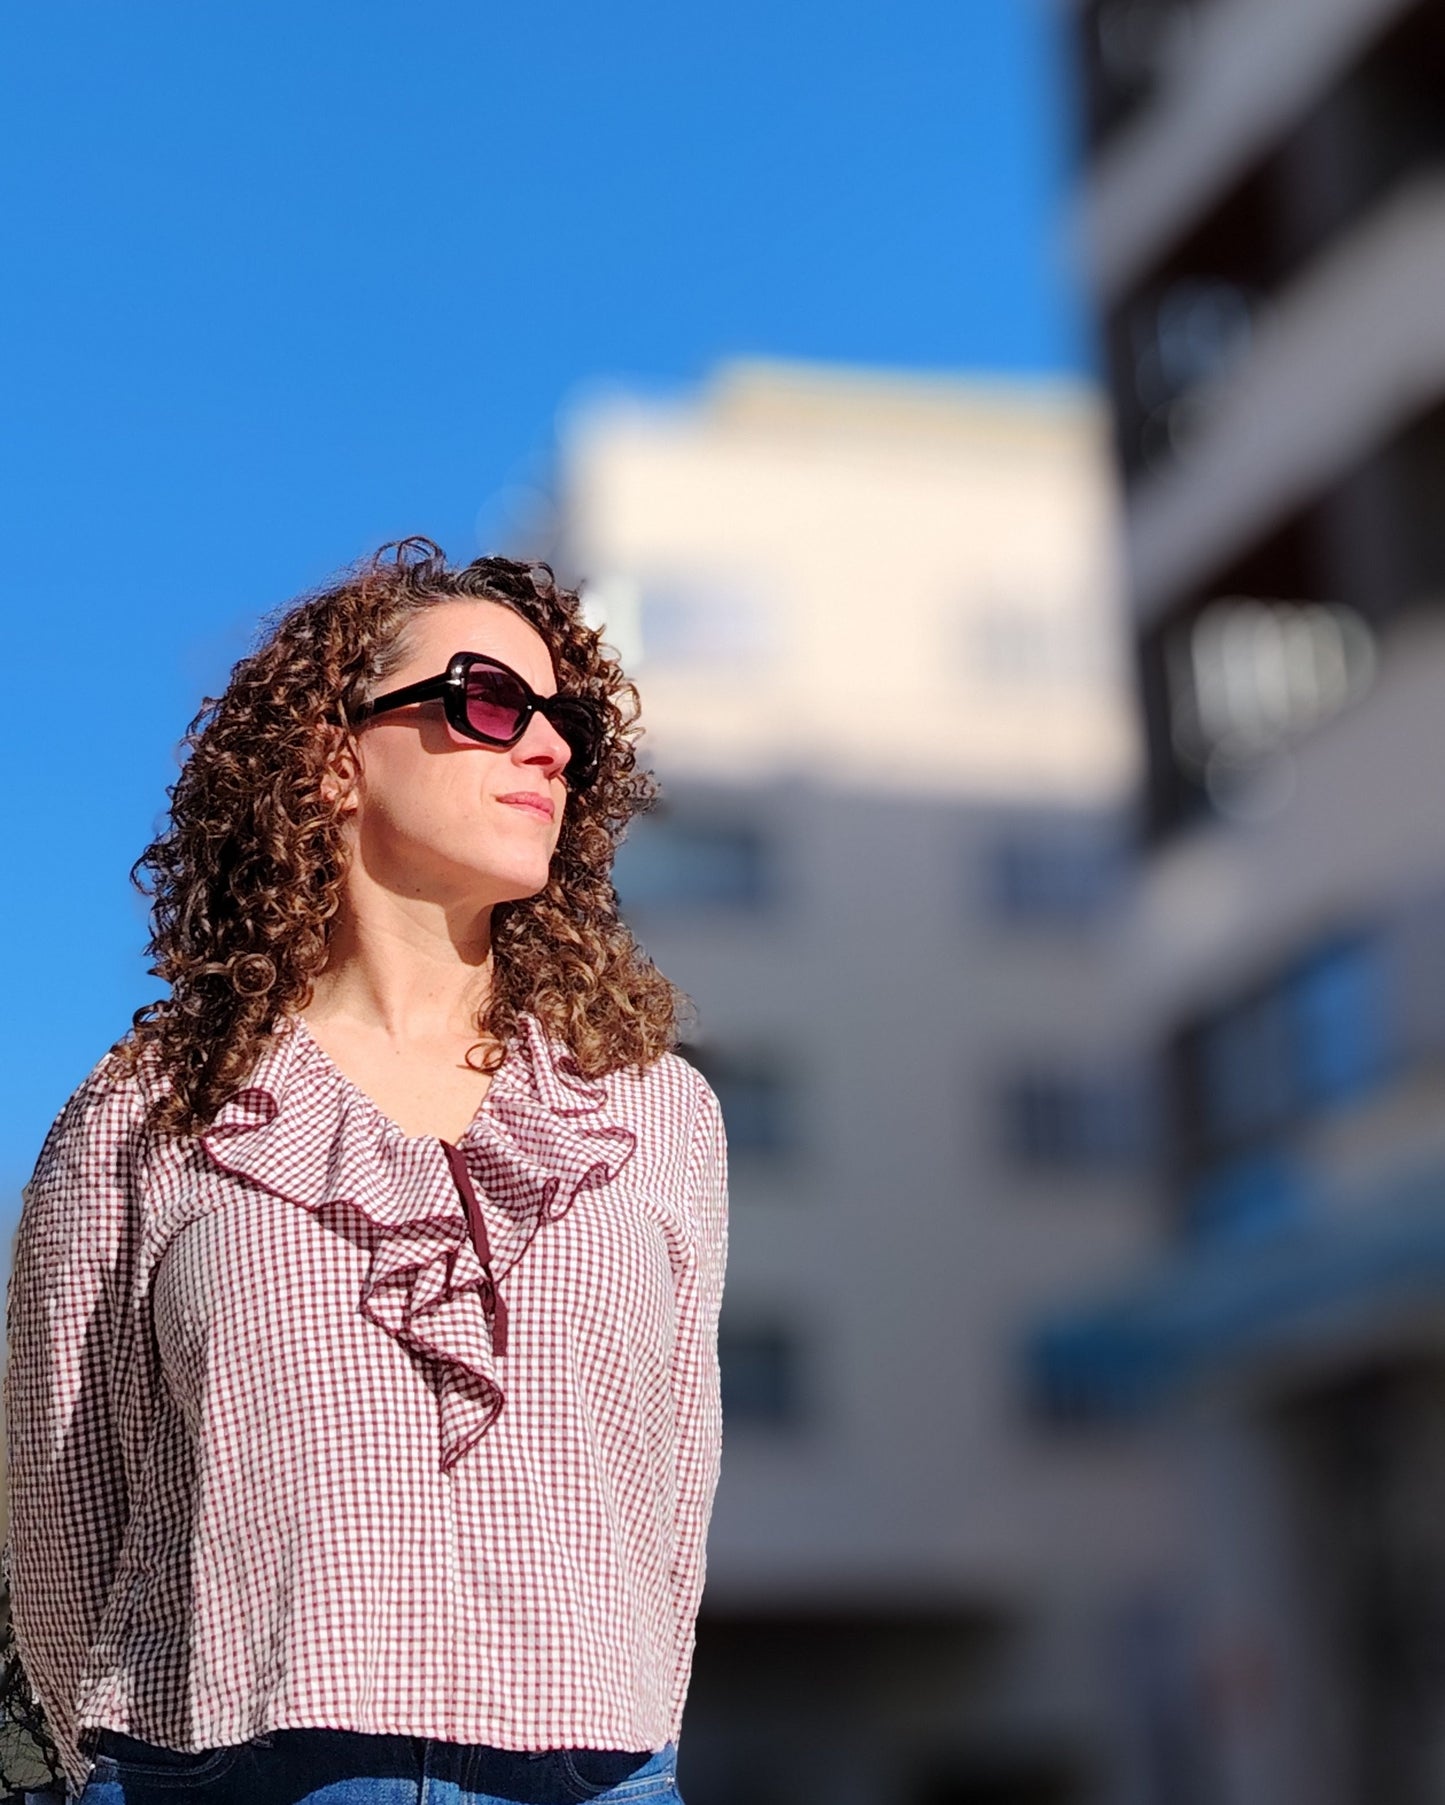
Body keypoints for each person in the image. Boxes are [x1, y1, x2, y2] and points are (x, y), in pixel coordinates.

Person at [3, 540, 729, 1805]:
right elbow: (60, 1523)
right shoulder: (145, 1116)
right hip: (221, 1776)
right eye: (488, 703)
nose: (546, 747)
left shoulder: (655, 1113)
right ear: (334, 756)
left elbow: (675, 1501)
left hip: (592, 1774)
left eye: (565, 724)